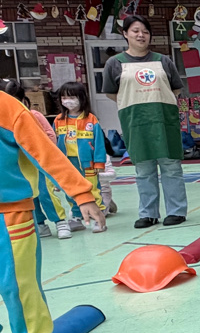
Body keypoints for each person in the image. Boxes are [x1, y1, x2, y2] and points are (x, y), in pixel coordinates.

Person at [0, 90, 105, 333]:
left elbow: (46, 154)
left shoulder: (7, 108)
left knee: (17, 283)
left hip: (11, 212)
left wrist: (82, 195)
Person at [102, 14, 188, 229]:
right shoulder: (115, 63)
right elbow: (111, 93)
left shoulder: (163, 60)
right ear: (125, 34)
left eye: (145, 31)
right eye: (135, 31)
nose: (141, 35)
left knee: (171, 167)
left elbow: (176, 88)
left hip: (164, 120)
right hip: (136, 122)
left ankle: (176, 211)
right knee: (143, 169)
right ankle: (148, 213)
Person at [1, 79, 71, 240]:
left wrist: (40, 150)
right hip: (19, 168)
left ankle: (60, 221)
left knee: (46, 194)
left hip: (38, 165)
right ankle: (40, 224)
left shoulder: (32, 115)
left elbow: (50, 136)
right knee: (31, 197)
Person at [53, 81, 107, 233]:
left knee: (93, 189)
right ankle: (76, 217)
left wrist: (99, 163)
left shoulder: (91, 119)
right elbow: (53, 143)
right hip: (67, 163)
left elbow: (99, 143)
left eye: (71, 97)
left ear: (81, 98)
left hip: (87, 163)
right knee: (71, 190)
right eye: (64, 98)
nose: (67, 101)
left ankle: (98, 218)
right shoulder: (58, 120)